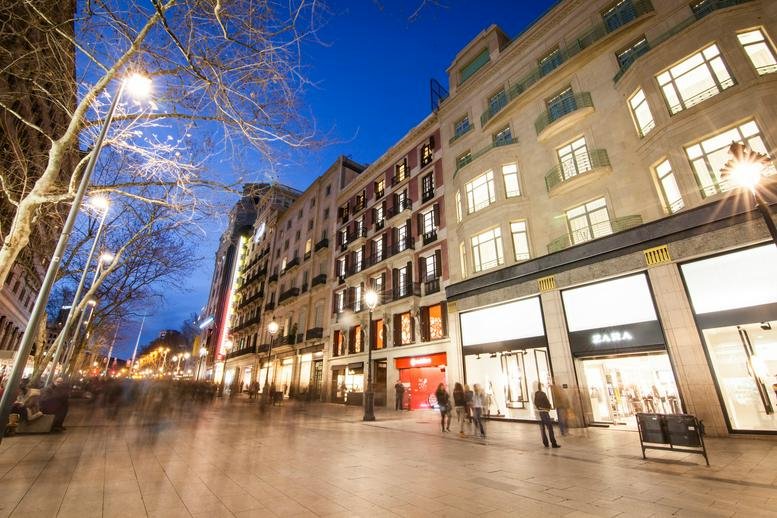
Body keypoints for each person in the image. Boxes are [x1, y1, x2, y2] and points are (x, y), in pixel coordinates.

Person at [534, 383, 560, 448]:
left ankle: (545, 443)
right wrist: (549, 407)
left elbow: (535, 404)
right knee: (550, 428)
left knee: (542, 429)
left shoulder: (535, 394)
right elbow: (547, 402)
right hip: (544, 412)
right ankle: (553, 443)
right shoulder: (542, 394)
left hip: (538, 414)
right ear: (540, 387)